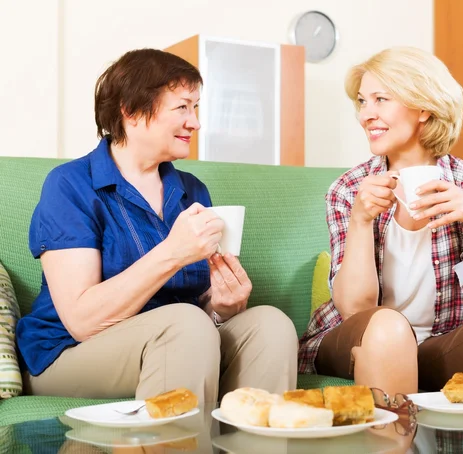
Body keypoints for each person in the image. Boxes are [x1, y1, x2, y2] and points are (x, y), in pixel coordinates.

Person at [16, 48, 298, 401]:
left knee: (270, 325)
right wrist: (173, 253)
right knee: (185, 325)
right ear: (131, 112)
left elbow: (198, 314)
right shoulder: (70, 184)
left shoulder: (191, 191)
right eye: (182, 107)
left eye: (196, 108)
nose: (195, 122)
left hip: (179, 339)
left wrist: (221, 308)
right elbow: (82, 320)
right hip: (70, 352)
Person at [298, 47, 463, 400]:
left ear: (423, 107)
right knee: (387, 328)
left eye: (381, 99)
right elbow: (355, 308)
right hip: (359, 337)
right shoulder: (349, 190)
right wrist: (361, 219)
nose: (367, 114)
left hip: (437, 345)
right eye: (363, 102)